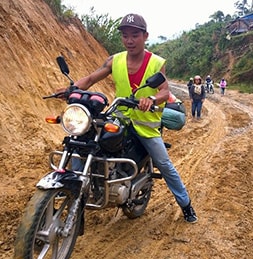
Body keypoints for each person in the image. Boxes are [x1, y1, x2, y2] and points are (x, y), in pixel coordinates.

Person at [63, 13, 198, 223]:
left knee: (164, 164)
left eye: (135, 35)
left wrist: (152, 99)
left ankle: (186, 205)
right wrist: (71, 88)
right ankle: (77, 190)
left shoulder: (156, 62)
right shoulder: (114, 60)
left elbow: (164, 90)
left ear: (145, 36)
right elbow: (90, 79)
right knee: (83, 142)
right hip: (119, 117)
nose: (129, 40)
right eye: (125, 35)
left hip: (145, 124)